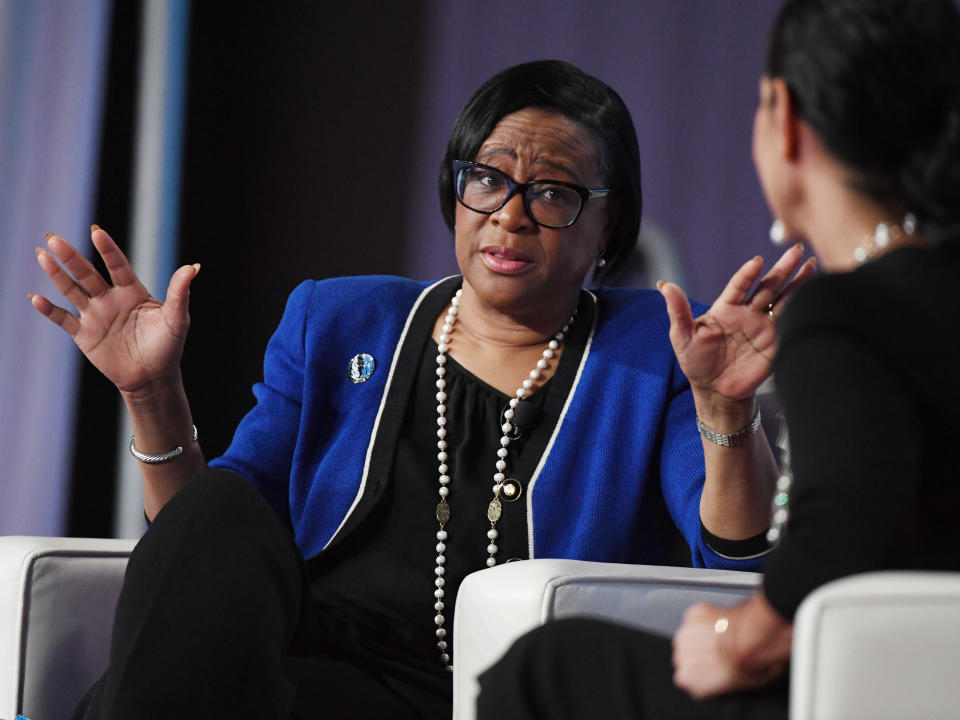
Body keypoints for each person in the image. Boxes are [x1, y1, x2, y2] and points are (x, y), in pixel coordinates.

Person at [30, 60, 806, 719]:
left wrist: (724, 408)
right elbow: (205, 549)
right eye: (488, 179)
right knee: (225, 508)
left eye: (553, 192)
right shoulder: (337, 320)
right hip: (309, 675)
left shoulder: (653, 352)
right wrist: (152, 391)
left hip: (500, 695)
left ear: (607, 225)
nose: (510, 215)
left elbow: (735, 563)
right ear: (456, 188)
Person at [475, 1, 960, 718]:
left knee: (545, 668)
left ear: (784, 117)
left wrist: (737, 638)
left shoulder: (848, 315)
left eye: (551, 193)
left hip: (879, 692)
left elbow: (842, 537)